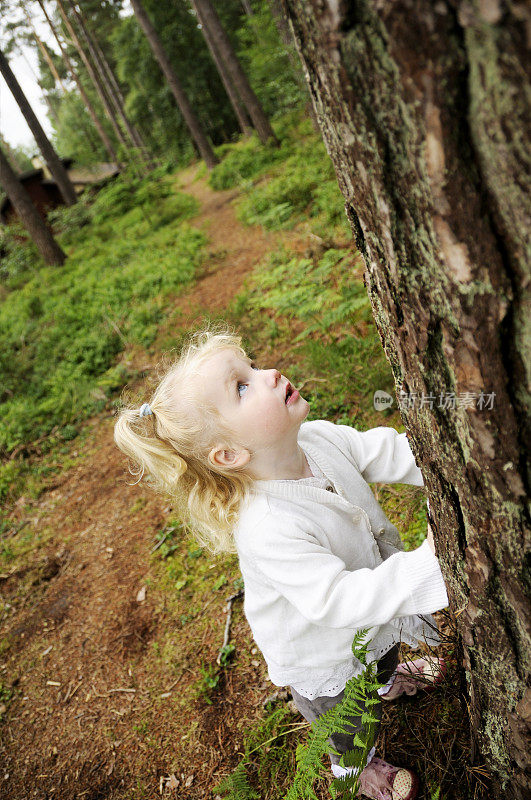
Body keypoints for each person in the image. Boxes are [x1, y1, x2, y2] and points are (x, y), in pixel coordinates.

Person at [113, 325, 449, 800]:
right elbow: (336, 600)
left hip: (367, 615)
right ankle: (358, 770)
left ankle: (388, 679)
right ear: (228, 454)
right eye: (243, 386)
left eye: (252, 365)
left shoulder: (317, 439)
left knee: (382, 651)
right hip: (323, 649)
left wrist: (450, 461)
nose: (268, 374)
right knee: (346, 720)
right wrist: (428, 564)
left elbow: (387, 451)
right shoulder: (267, 525)